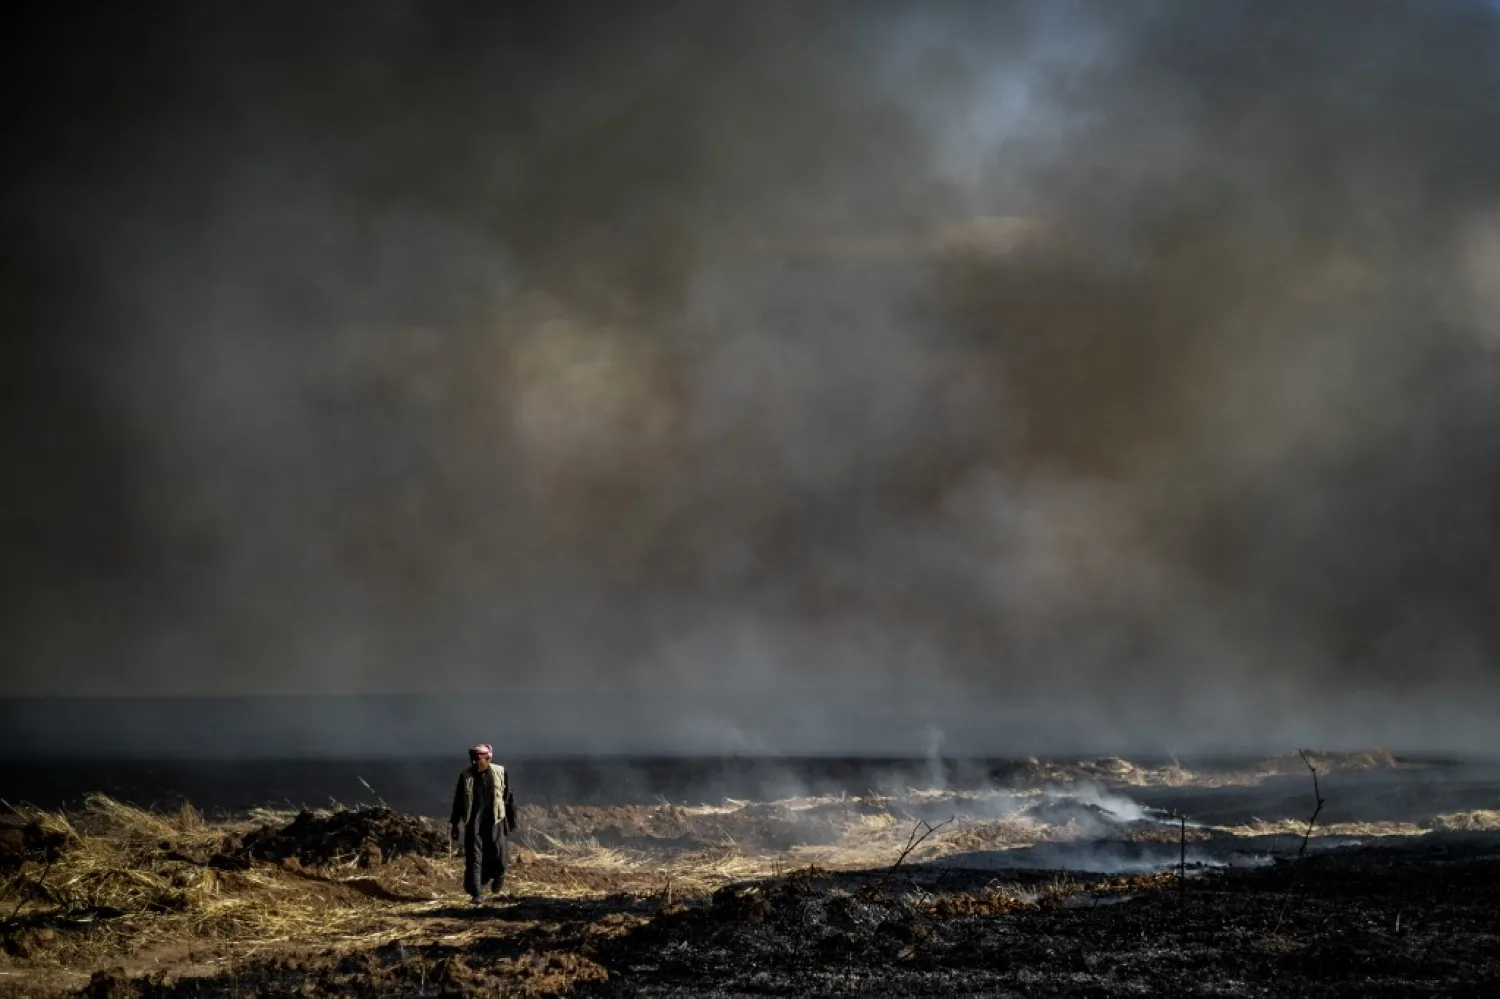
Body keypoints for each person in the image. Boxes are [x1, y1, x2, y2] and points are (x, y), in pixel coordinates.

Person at [449, 743, 516, 903]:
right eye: (472, 758)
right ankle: (476, 893)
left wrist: (511, 821)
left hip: (495, 821)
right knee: (474, 858)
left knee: (500, 856)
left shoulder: (500, 772)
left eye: (478, 758)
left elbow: (508, 798)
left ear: (487, 758)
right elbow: (458, 801)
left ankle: (499, 875)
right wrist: (455, 823)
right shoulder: (465, 776)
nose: (474, 762)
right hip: (474, 823)